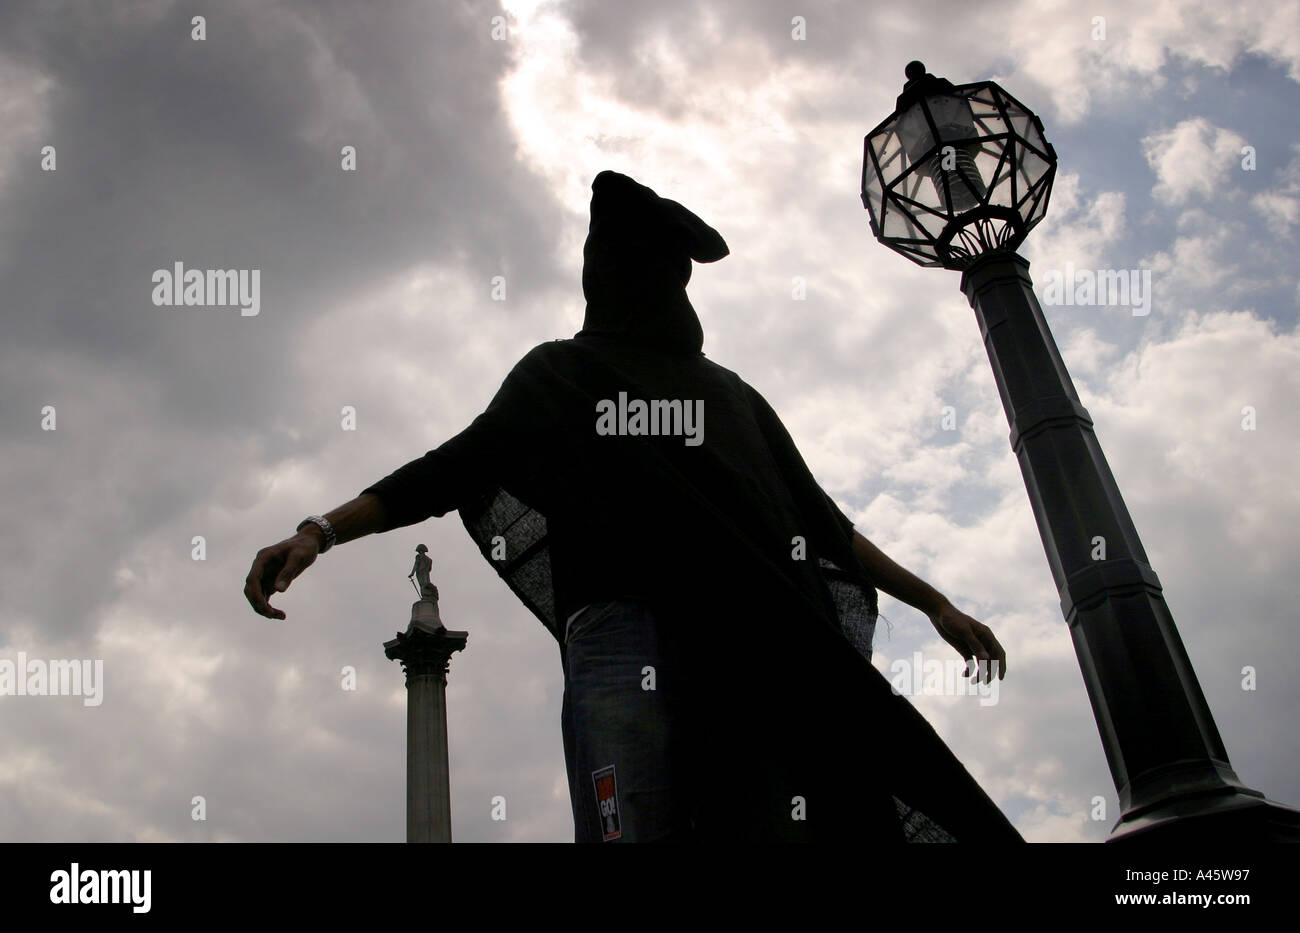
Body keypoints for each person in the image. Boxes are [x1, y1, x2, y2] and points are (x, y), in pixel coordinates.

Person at [244, 170, 1017, 843]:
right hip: (624, 637)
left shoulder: (733, 397)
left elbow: (823, 526)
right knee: (634, 825)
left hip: (751, 642)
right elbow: (446, 470)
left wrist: (934, 601)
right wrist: (319, 531)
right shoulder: (562, 374)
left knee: (772, 820)